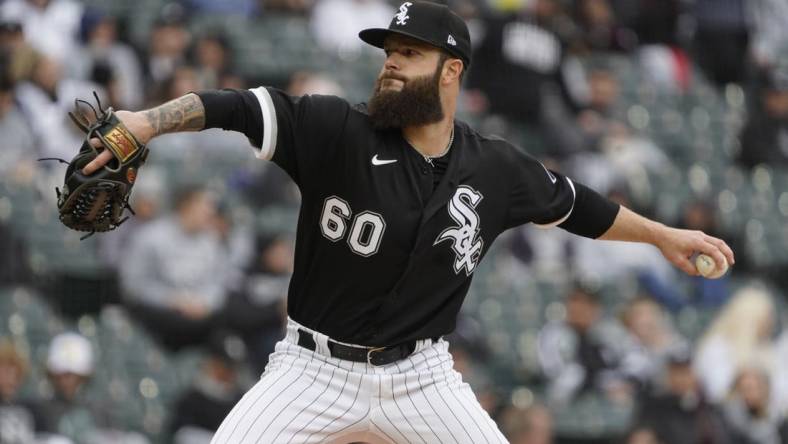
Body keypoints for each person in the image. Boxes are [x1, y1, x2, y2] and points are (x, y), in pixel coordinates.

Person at [81, 2, 734, 442]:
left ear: (451, 72)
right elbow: (235, 107)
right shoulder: (335, 129)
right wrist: (145, 122)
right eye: (387, 50)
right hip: (312, 370)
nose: (390, 62)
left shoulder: (496, 168)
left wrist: (664, 236)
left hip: (423, 377)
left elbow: (581, 208)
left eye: (409, 53)